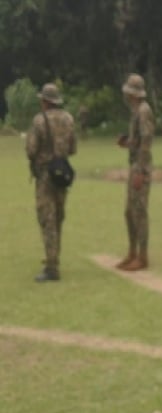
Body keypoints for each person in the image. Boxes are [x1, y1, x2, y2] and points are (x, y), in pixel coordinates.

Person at [26, 83, 77, 282]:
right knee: (58, 217)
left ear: (45, 101)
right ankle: (53, 257)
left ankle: (52, 267)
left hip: (45, 175)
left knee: (47, 219)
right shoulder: (69, 119)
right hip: (62, 173)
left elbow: (31, 149)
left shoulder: (39, 121)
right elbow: (72, 148)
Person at [116, 73, 155, 271]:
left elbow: (147, 141)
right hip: (135, 165)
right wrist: (127, 143)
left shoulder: (143, 111)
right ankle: (132, 252)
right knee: (129, 212)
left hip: (141, 168)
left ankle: (142, 256)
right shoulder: (137, 111)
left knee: (139, 212)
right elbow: (139, 140)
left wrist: (140, 171)